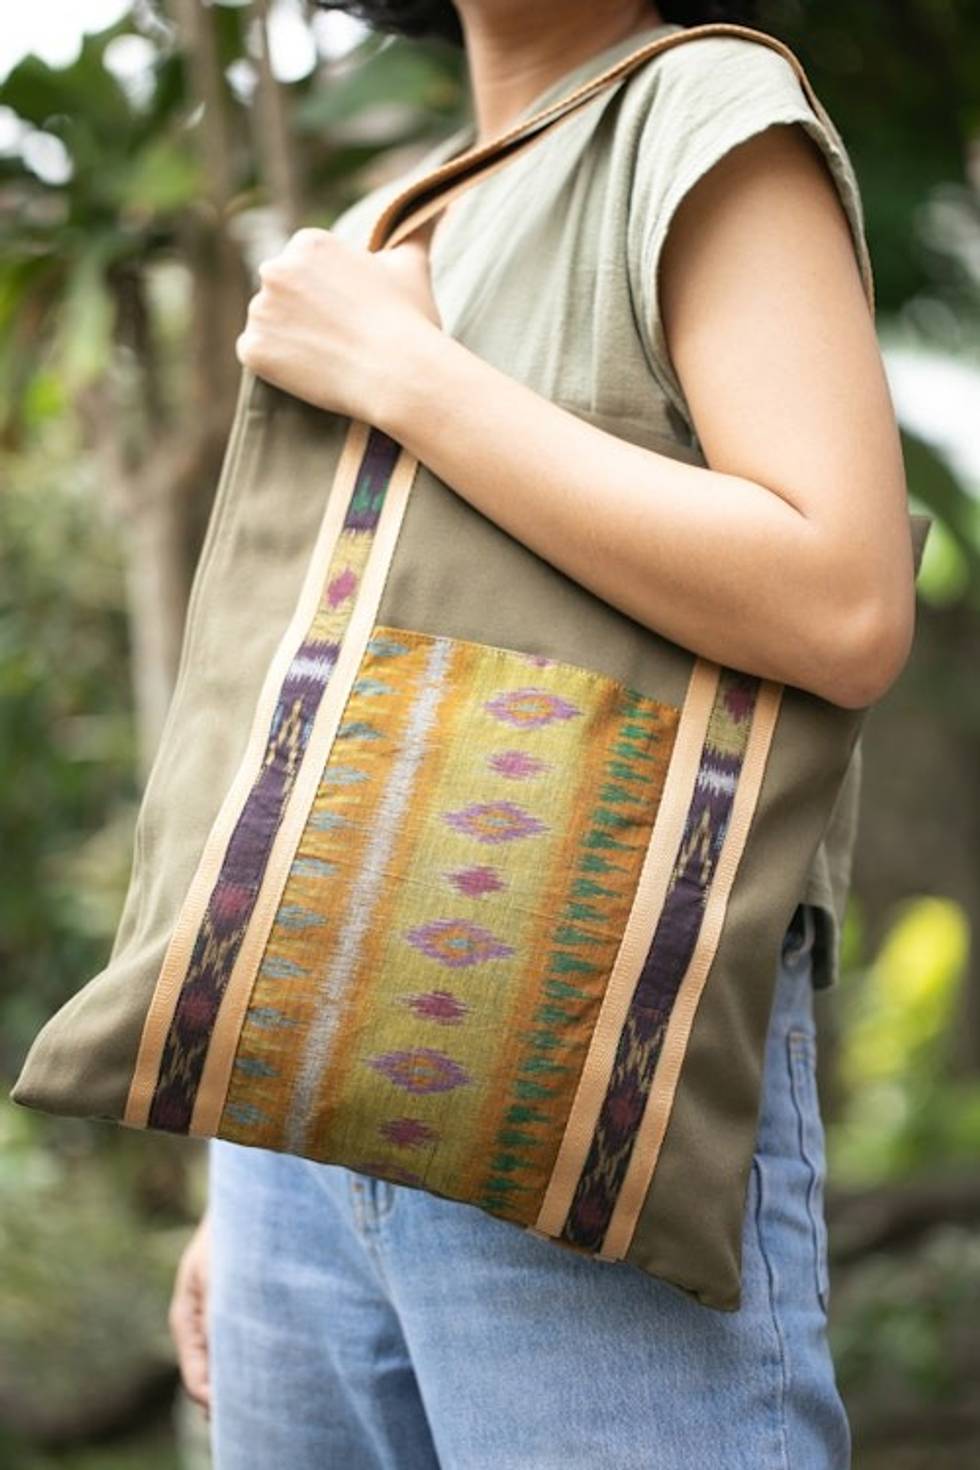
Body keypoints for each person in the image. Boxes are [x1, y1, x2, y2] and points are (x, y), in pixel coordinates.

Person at [169, 2, 917, 1465]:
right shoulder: (399, 210)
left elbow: (843, 602)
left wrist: (405, 371)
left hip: (585, 1056)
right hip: (300, 1123)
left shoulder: (700, 107)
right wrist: (243, 1165)